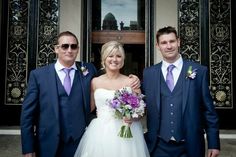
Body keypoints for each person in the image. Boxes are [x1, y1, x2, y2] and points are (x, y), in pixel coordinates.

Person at [20, 32, 139, 157]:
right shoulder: (39, 75)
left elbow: (109, 79)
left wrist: (133, 79)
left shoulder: (88, 70)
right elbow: (27, 115)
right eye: (65, 46)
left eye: (73, 46)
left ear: (77, 49)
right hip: (47, 142)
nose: (69, 50)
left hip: (80, 141)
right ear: (56, 49)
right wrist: (28, 147)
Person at [142, 26, 220, 157]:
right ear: (157, 46)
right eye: (164, 43)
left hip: (190, 146)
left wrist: (213, 143)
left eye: (172, 41)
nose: (169, 46)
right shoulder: (149, 74)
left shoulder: (198, 71)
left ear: (178, 42)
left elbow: (209, 111)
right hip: (158, 145)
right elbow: (140, 102)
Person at [74, 41, 150, 157]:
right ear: (104, 59)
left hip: (127, 133)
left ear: (123, 60)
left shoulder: (131, 82)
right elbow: (88, 108)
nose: (114, 59)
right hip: (100, 133)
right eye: (110, 56)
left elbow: (141, 111)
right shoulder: (95, 82)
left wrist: (132, 117)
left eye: (118, 56)